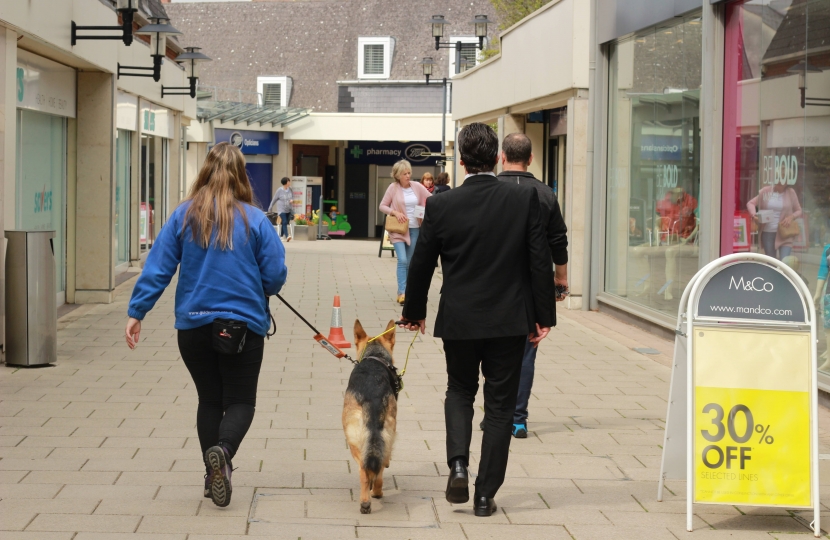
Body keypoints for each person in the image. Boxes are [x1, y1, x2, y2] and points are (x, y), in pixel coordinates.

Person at [399, 123, 555, 517]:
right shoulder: (523, 201)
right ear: (498, 157)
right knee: (501, 407)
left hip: (460, 319)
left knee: (459, 390)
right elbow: (539, 261)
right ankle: (485, 495)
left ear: (463, 161)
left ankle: (457, 465)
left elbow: (421, 264)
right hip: (509, 320)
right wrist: (543, 317)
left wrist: (413, 312)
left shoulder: (442, 204)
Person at [124, 142, 288, 508]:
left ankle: (212, 472)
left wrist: (137, 311)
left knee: (209, 399)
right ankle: (224, 453)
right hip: (241, 327)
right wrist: (261, 284)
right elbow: (275, 275)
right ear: (241, 175)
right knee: (241, 401)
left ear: (205, 171)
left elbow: (159, 267)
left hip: (193, 328)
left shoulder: (184, 215)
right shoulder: (256, 220)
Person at [495, 133, 568, 439]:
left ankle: (495, 415)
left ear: (502, 156)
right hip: (531, 285)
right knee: (526, 351)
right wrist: (561, 279)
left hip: (495, 283)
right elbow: (558, 241)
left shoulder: (490, 190)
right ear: (531, 158)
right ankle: (517, 418)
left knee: (494, 353)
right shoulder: (545, 194)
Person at [379, 160, 432, 305]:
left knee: (410, 262)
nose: (408, 176)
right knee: (402, 260)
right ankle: (402, 292)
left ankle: (407, 291)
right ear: (397, 175)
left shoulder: (416, 186)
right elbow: (382, 206)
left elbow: (431, 198)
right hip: (398, 229)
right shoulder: (393, 188)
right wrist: (395, 212)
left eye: (409, 173)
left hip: (414, 228)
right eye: (405, 174)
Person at [747, 182, 802, 260]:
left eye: (783, 178)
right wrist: (754, 215)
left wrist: (791, 217)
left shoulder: (791, 192)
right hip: (768, 233)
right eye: (779, 178)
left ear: (787, 182)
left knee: (785, 263)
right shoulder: (766, 191)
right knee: (771, 264)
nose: (780, 181)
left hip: (785, 233)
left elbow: (799, 210)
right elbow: (750, 203)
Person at [269, 177, 294, 241]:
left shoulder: (290, 189)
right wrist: (270, 207)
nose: (289, 183)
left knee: (285, 222)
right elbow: (274, 199)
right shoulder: (279, 190)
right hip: (281, 209)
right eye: (289, 181)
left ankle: (281, 236)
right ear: (286, 182)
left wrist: (292, 200)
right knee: (284, 221)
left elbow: (292, 196)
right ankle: (287, 236)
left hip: (288, 209)